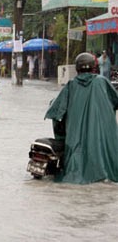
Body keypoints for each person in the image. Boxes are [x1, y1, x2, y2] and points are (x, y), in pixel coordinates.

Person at [45, 52, 118, 184]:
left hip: (75, 144)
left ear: (77, 68)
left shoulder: (71, 85)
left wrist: (62, 135)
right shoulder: (102, 82)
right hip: (102, 142)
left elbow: (55, 112)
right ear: (94, 67)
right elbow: (115, 100)